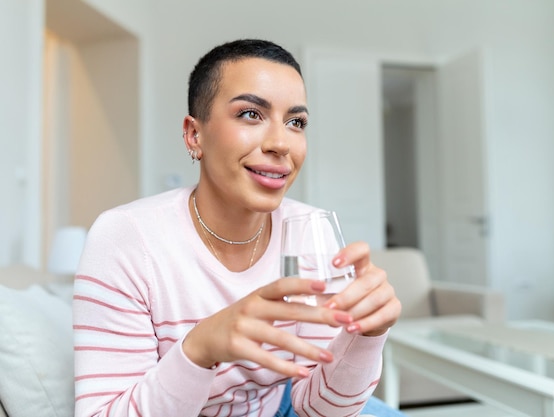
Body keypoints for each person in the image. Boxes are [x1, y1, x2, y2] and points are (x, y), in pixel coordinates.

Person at [73, 38, 403, 417]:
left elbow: (319, 410)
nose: (282, 144)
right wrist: (200, 349)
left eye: (296, 122)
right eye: (250, 114)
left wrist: (366, 335)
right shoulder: (125, 238)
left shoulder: (311, 230)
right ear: (194, 135)